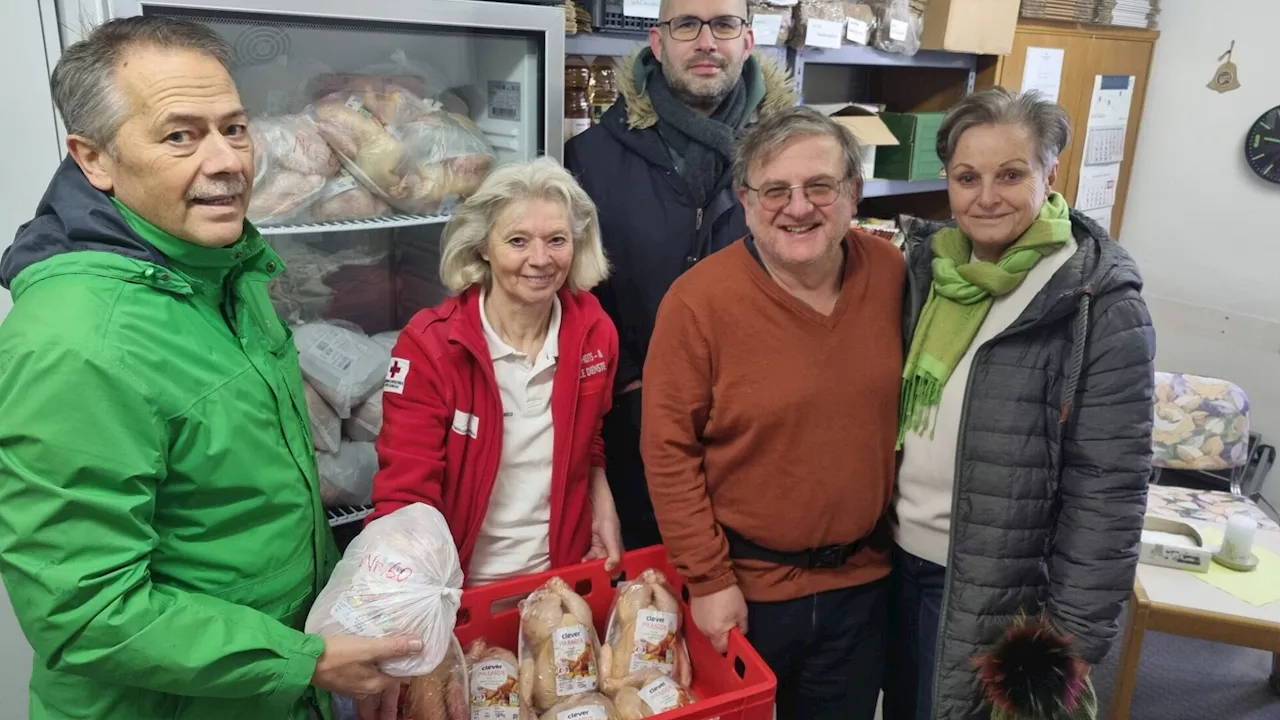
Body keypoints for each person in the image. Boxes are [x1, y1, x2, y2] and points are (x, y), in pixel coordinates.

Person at [0, 16, 420, 720]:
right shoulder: (77, 342)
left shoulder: (224, 272)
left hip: (268, 691)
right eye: (179, 136)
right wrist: (305, 661)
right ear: (92, 158)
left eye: (235, 128)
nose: (228, 161)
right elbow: (85, 612)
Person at [884, 88, 1155, 720]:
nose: (986, 197)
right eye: (966, 177)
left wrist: (1076, 634)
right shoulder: (930, 269)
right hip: (895, 562)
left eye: (1011, 175)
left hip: (1000, 587)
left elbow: (1109, 484)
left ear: (1049, 173)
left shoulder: (1097, 299)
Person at [642, 106, 904, 720]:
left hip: (864, 584)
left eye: (820, 186)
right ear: (745, 199)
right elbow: (667, 449)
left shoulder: (890, 273)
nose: (799, 207)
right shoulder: (698, 302)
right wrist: (707, 581)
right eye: (775, 190)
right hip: (746, 589)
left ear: (853, 192)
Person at [564, 0, 797, 550]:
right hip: (631, 438)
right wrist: (634, 382)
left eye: (723, 25)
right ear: (657, 41)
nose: (706, 42)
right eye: (686, 25)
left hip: (761, 434)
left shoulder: (796, 159)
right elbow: (571, 299)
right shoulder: (589, 159)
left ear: (747, 39)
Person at [367, 157, 623, 586]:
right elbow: (405, 494)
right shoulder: (431, 345)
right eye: (518, 241)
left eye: (557, 240)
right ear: (483, 246)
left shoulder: (594, 332)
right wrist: (414, 596)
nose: (540, 260)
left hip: (560, 575)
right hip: (459, 583)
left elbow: (589, 435)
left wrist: (602, 504)